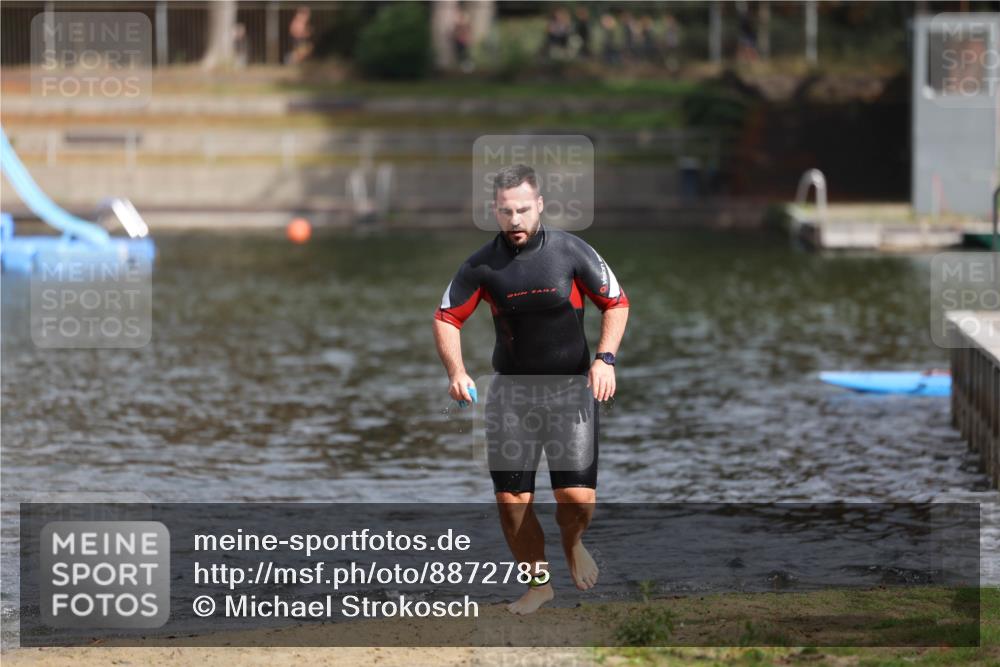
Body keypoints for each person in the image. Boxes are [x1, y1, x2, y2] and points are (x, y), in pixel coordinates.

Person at [433, 164, 630, 615]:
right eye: (506, 212)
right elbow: (446, 317)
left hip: (570, 392)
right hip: (511, 396)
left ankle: (572, 539)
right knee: (512, 503)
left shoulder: (570, 252)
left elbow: (616, 303)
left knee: (577, 500)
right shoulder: (482, 265)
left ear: (539, 205)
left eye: (523, 209)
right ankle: (539, 584)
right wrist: (457, 372)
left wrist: (605, 359)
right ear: (494, 212)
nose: (515, 220)